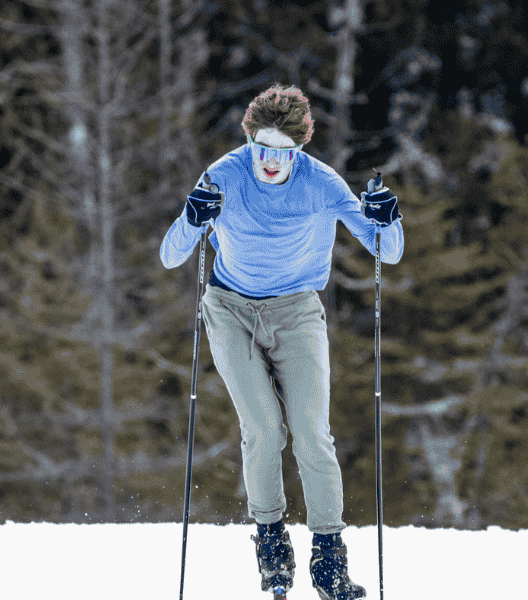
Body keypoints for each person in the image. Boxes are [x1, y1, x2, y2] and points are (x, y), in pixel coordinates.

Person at [160, 84, 403, 600]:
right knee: (265, 430)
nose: (271, 162)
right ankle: (271, 545)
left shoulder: (321, 183)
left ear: (301, 147)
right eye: (262, 149)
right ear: (250, 141)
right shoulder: (224, 175)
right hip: (231, 311)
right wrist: (193, 216)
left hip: (296, 312)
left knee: (313, 434)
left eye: (283, 151)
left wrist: (388, 217)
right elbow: (171, 255)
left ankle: (329, 562)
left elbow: (388, 250)